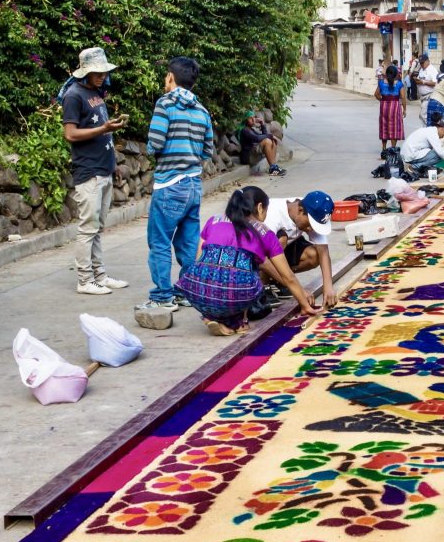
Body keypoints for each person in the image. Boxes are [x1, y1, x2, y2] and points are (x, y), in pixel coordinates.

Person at [176, 186, 318, 335]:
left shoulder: (213, 220)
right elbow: (287, 276)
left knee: (216, 269)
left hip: (195, 291)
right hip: (234, 294)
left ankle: (211, 317)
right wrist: (304, 304)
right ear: (260, 207)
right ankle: (240, 322)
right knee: (250, 271)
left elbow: (199, 260)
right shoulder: (264, 232)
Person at [141, 56, 215, 312]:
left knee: (159, 241)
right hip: (193, 185)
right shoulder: (202, 110)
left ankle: (162, 297)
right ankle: (185, 290)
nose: (165, 80)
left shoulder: (165, 105)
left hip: (169, 184)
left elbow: (155, 144)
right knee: (188, 242)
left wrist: (155, 149)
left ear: (171, 77)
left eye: (166, 76)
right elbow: (208, 150)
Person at [62, 47, 129, 295]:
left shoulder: (97, 94)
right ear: (85, 72)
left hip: (104, 169)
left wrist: (114, 164)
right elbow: (70, 134)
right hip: (88, 172)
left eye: (103, 71)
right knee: (88, 228)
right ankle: (84, 279)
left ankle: (99, 275)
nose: (101, 75)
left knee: (97, 228)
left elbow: (102, 130)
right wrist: (103, 129)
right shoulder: (74, 95)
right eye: (96, 72)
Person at [262, 191, 338, 308]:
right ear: (300, 210)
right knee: (280, 240)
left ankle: (276, 279)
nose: (310, 229)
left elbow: (323, 251)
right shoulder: (271, 215)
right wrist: (297, 288)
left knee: (314, 255)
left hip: (281, 250)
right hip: (253, 257)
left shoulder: (313, 210)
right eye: (309, 225)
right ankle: (262, 287)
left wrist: (328, 287)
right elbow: (263, 260)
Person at [239, 111, 286, 176]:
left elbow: (264, 135)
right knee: (267, 140)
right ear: (245, 120)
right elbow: (257, 138)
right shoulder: (245, 130)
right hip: (248, 157)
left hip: (254, 155)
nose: (253, 120)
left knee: (273, 141)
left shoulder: (251, 129)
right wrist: (270, 136)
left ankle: (274, 167)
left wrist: (262, 124)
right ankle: (273, 168)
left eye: (254, 118)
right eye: (250, 118)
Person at [374, 64, 407, 155]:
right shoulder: (399, 84)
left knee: (384, 126)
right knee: (394, 127)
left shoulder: (381, 83)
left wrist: (382, 99)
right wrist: (404, 109)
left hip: (384, 106)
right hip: (395, 106)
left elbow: (376, 94)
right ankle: (392, 148)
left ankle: (384, 148)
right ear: (396, 74)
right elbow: (403, 97)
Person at [426, 59, 444, 126]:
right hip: (440, 105)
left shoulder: (439, 78)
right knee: (441, 127)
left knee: (430, 126)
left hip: (431, 102)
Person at [416, 53, 438, 121]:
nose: (422, 65)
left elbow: (435, 82)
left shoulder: (432, 70)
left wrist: (423, 82)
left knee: (423, 115)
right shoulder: (421, 69)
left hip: (429, 96)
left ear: (428, 61)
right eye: (420, 63)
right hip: (423, 97)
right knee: (427, 116)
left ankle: (428, 130)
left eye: (423, 63)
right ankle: (429, 129)